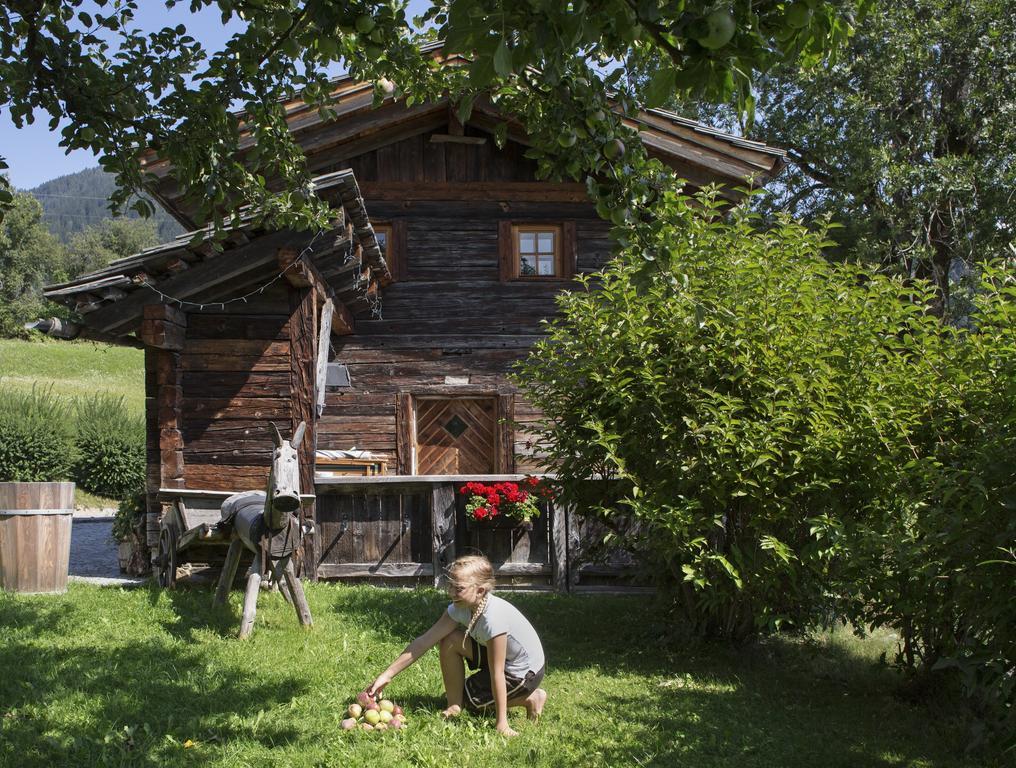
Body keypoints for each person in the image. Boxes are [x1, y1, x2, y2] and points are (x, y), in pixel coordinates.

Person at [366, 554, 547, 736]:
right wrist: (387, 675)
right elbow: (424, 641)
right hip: (501, 657)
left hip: (524, 671)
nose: (451, 592)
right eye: (450, 585)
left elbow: (497, 672)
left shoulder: (493, 620)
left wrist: (502, 723)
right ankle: (454, 705)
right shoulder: (461, 607)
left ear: (480, 591)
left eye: (458, 588)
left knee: (473, 702)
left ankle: (531, 698)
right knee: (450, 640)